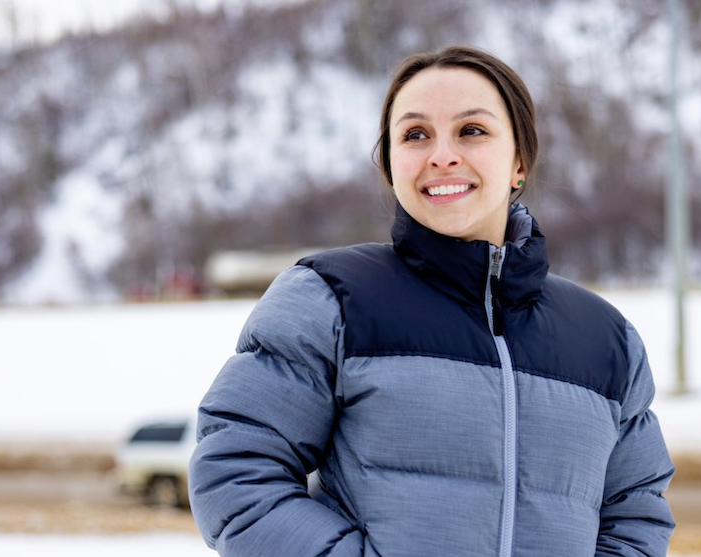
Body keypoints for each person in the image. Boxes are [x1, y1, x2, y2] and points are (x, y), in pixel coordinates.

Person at [189, 45, 675, 557]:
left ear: (519, 162)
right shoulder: (329, 299)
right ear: (392, 167)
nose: (442, 155)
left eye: (472, 131)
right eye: (415, 135)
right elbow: (236, 474)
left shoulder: (605, 339)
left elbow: (635, 513)